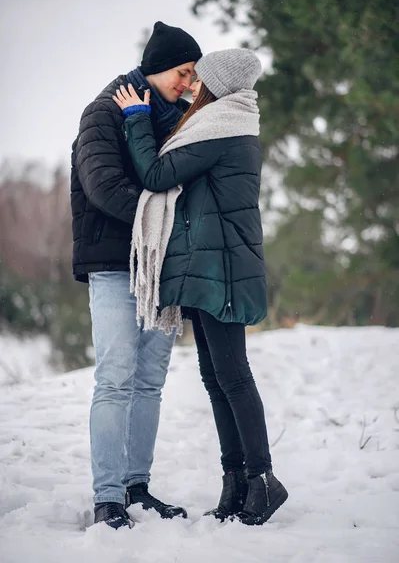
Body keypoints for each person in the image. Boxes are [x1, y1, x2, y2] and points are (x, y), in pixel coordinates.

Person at [113, 48, 289, 525]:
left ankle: (263, 480)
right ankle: (236, 482)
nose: (191, 86)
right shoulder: (224, 123)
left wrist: (135, 119)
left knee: (233, 377)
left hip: (223, 270)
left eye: (199, 79)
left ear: (218, 86)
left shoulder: (222, 128)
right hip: (213, 267)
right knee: (218, 379)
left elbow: (156, 175)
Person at [70, 21, 202, 530]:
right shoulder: (103, 112)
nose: (189, 84)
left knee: (149, 383)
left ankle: (136, 486)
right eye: (182, 72)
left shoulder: (175, 120)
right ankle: (108, 499)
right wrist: (170, 217)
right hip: (112, 263)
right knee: (116, 377)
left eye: (193, 76)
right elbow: (103, 186)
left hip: (159, 267)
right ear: (155, 68)